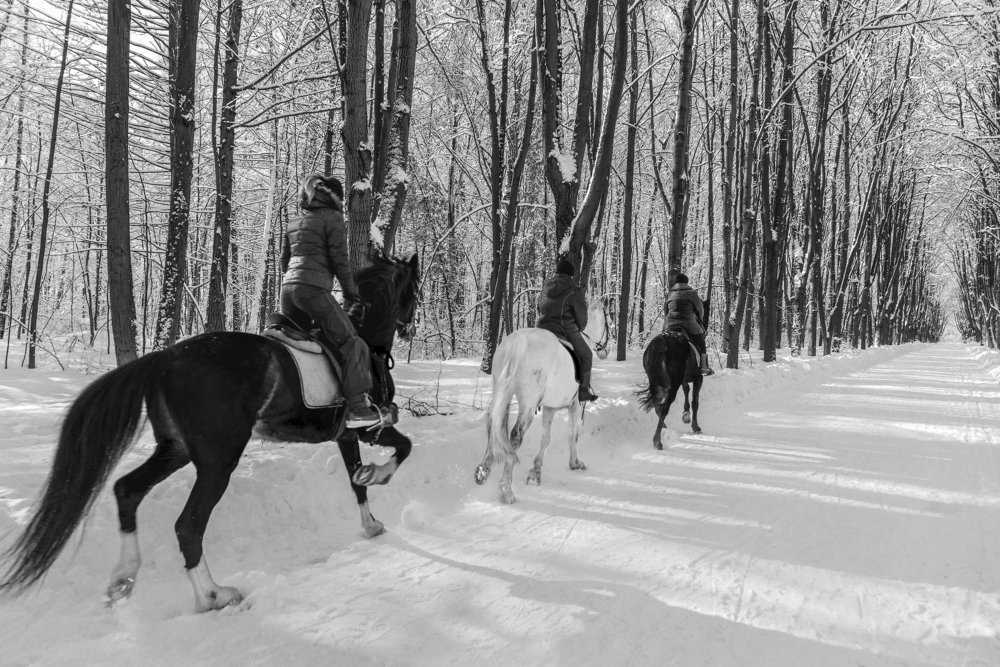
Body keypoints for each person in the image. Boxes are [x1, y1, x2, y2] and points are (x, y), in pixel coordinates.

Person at [279, 172, 383, 428]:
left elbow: (284, 263)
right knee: (352, 342)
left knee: (305, 340)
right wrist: (350, 294)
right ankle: (358, 408)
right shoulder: (333, 218)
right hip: (312, 291)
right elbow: (340, 261)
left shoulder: (295, 221)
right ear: (335, 198)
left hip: (287, 292)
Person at [536, 259, 598, 402]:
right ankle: (583, 391)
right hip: (565, 331)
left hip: (542, 330)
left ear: (557, 271)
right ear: (571, 274)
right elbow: (582, 319)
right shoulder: (575, 290)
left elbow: (540, 308)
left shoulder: (545, 287)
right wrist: (579, 327)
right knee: (587, 355)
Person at [663, 272, 713, 375]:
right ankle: (704, 367)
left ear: (676, 282)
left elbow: (666, 311)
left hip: (670, 324)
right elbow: (700, 309)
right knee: (701, 342)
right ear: (686, 282)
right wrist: (699, 319)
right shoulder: (692, 293)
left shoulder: (670, 294)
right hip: (689, 324)